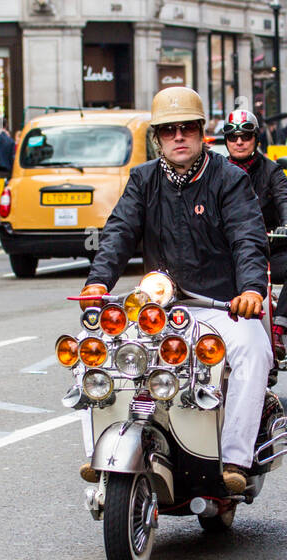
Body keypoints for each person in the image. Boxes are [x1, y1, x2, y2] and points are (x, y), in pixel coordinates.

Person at [80, 87, 272, 496]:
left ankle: (235, 459)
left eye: (188, 128)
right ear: (158, 138)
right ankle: (98, 452)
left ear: (203, 133)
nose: (179, 136)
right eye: (169, 130)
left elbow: (247, 238)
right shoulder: (144, 179)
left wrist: (251, 290)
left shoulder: (230, 179)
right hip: (159, 310)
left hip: (221, 306)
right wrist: (98, 281)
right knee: (92, 344)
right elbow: (118, 232)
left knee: (254, 348)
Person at [219, 109, 287, 359]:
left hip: (266, 253)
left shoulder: (272, 171)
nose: (239, 141)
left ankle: (279, 330)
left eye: (246, 136)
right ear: (226, 140)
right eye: (233, 136)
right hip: (225, 255)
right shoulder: (215, 171)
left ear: (256, 139)